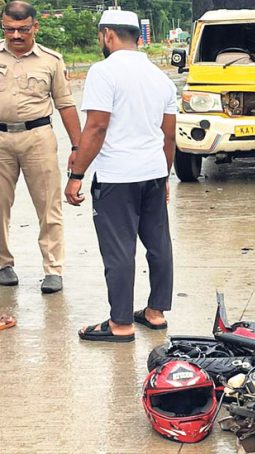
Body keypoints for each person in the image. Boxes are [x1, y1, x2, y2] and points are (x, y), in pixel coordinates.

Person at [64, 9, 177, 342]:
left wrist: (77, 174)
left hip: (117, 176)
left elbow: (97, 126)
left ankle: (121, 323)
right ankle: (155, 313)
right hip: (153, 174)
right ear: (139, 38)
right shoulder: (160, 77)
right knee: (158, 244)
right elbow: (169, 136)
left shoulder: (104, 71)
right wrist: (165, 176)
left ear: (107, 35)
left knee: (119, 250)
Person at [0, 1, 81, 293]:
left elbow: (65, 104)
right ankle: (3, 264)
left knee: (49, 205)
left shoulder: (51, 60)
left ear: (35, 26)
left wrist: (77, 147)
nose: (16, 35)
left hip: (38, 138)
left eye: (22, 29)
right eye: (9, 29)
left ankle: (53, 269)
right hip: (0, 140)